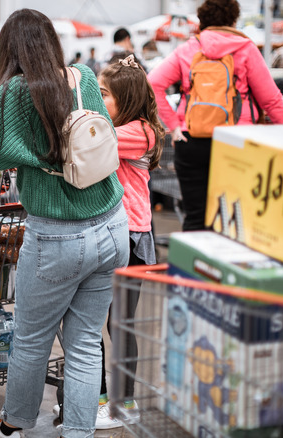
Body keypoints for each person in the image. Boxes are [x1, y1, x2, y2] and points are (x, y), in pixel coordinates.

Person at [0, 9, 130, 438]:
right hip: (112, 226)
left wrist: (19, 154)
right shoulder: (83, 76)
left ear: (8, 50)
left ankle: (12, 430)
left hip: (57, 239)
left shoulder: (14, 93)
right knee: (86, 344)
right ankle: (79, 432)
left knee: (31, 342)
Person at [148, 0, 283, 231]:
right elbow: (271, 100)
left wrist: (175, 125)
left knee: (195, 216)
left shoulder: (188, 48)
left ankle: (192, 265)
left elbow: (153, 83)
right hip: (237, 142)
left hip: (191, 140)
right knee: (236, 218)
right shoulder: (246, 49)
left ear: (202, 21)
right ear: (233, 21)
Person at [94, 55, 164, 429]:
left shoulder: (138, 131)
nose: (96, 100)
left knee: (121, 323)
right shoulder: (125, 126)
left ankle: (125, 404)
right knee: (102, 320)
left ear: (128, 100)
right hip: (114, 230)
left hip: (132, 238)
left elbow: (88, 142)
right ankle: (106, 395)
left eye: (102, 94)